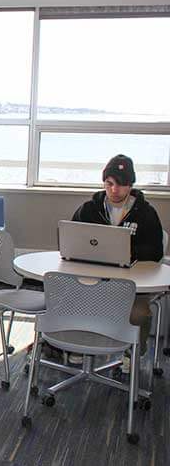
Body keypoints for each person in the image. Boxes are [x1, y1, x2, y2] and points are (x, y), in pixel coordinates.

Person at [71, 154, 164, 371]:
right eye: (109, 183)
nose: (114, 190)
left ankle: (132, 353)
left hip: (133, 285)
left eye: (121, 185)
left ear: (130, 185)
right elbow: (72, 240)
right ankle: (75, 345)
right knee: (65, 295)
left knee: (139, 313)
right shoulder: (89, 209)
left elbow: (156, 251)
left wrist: (127, 252)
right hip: (93, 280)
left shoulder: (146, 213)